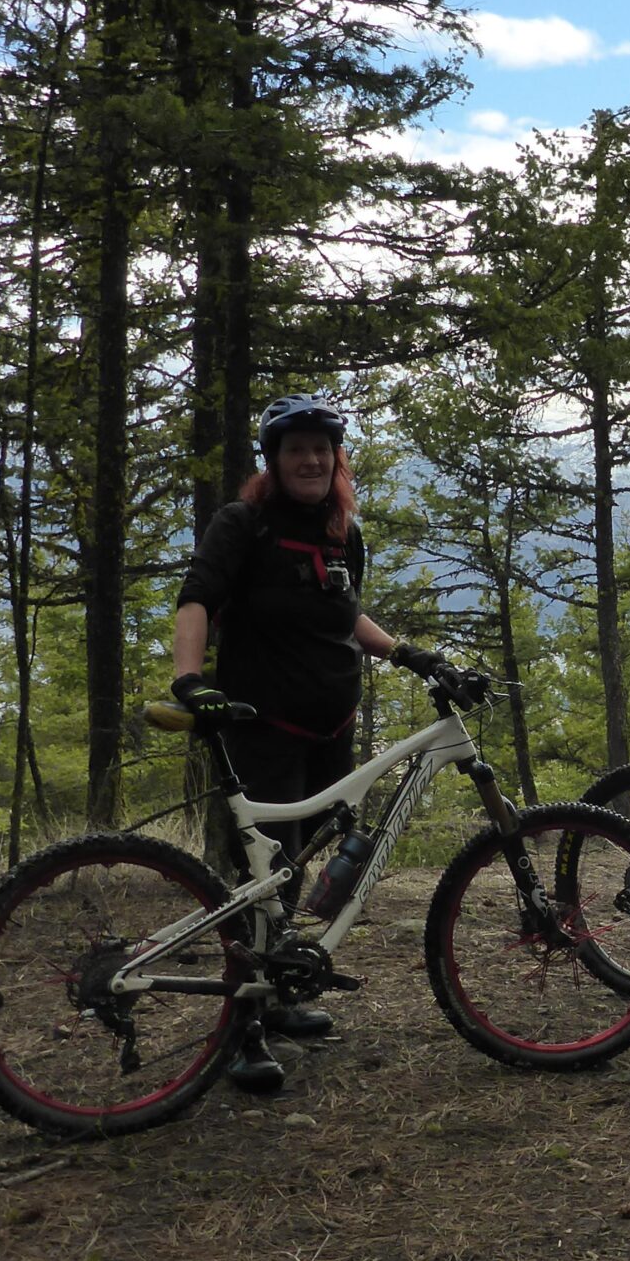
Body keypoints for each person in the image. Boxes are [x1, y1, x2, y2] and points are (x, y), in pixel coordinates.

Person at [170, 394, 461, 1091]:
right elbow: (197, 596)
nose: (310, 459)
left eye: (321, 450)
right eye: (295, 448)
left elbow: (345, 612)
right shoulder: (244, 524)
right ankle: (240, 1034)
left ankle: (272, 1002)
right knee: (257, 879)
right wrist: (188, 679)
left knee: (292, 870)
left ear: (336, 461)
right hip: (261, 727)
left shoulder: (341, 533)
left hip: (327, 731)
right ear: (273, 460)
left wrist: (408, 653)